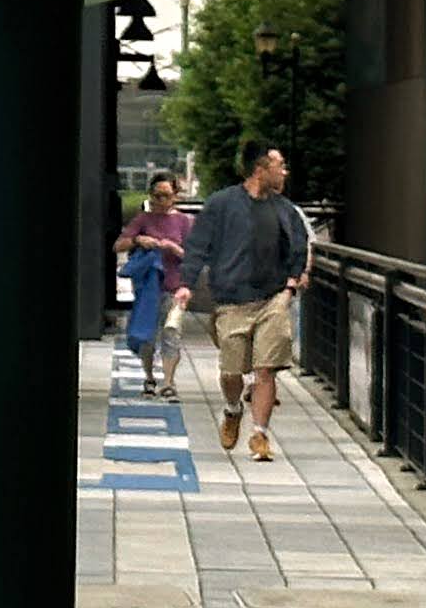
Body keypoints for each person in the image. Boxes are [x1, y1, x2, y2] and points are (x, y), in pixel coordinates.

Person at [184, 146, 313, 463]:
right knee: (231, 372)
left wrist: (292, 283)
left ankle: (260, 434)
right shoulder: (222, 204)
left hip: (273, 298)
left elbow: (299, 247)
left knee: (265, 370)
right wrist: (185, 285)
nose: (284, 172)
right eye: (280, 165)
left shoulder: (285, 210)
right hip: (232, 301)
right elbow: (198, 245)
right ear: (260, 168)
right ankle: (232, 409)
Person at [115, 175, 194, 395]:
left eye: (166, 196)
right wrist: (139, 240)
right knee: (147, 335)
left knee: (171, 334)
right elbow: (118, 245)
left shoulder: (184, 222)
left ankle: (169, 382)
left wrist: (174, 249)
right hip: (148, 288)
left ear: (175, 196)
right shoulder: (142, 220)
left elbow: (194, 256)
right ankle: (149, 376)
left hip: (175, 287)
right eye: (156, 196)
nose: (160, 201)